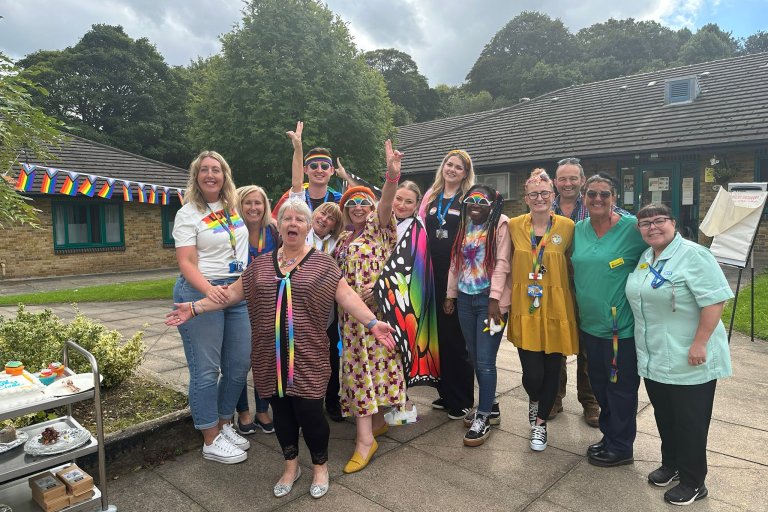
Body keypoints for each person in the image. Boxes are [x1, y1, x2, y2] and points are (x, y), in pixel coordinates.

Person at [165, 199, 396, 499]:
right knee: (282, 415)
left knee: (311, 415)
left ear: (308, 226)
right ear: (280, 226)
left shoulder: (324, 264)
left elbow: (347, 296)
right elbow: (231, 294)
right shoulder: (260, 265)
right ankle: (291, 466)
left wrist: (372, 322)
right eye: (287, 218)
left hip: (309, 357)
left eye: (300, 219)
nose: (293, 224)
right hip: (268, 358)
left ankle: (320, 466)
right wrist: (195, 308)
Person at [626, 203, 733, 506]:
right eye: (645, 223)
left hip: (690, 356)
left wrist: (700, 342)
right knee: (666, 416)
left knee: (690, 421)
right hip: (656, 356)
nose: (653, 227)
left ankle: (694, 481)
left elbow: (715, 301)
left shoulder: (694, 255)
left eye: (659, 221)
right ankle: (671, 464)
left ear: (673, 223)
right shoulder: (647, 258)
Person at [172, 150, 252, 464]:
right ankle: (209, 438)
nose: (210, 175)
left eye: (216, 170)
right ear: (196, 176)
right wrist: (209, 293)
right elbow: (186, 261)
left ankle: (222, 423)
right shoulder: (188, 213)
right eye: (204, 170)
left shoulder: (232, 207)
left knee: (238, 366)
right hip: (200, 288)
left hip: (236, 291)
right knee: (206, 371)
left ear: (224, 175)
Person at [334, 140, 404, 474]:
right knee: (365, 366)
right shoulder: (341, 240)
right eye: (352, 203)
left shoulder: (379, 229)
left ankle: (365, 441)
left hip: (376, 311)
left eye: (364, 202)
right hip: (348, 317)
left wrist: (391, 178)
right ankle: (376, 421)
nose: (359, 207)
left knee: (368, 366)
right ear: (345, 210)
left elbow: (387, 205)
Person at [571, 173, 647, 468]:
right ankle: (609, 436)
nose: (598, 199)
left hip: (620, 331)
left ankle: (622, 447)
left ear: (614, 198)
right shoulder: (579, 229)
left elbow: (663, 246)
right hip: (590, 326)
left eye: (604, 194)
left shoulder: (631, 229)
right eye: (592, 194)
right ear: (584, 198)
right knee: (600, 385)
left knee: (620, 388)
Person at [508, 169, 579, 451]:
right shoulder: (513, 225)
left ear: (554, 196)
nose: (540, 198)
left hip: (557, 305)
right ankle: (535, 400)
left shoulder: (567, 226)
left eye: (545, 194)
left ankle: (540, 425)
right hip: (526, 305)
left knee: (553, 368)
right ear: (526, 198)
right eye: (534, 194)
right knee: (532, 373)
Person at [444, 184, 510, 447]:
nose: (474, 205)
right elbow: (455, 261)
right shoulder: (465, 223)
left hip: (488, 303)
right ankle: (490, 405)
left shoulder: (500, 225)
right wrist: (451, 294)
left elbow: (503, 262)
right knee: (473, 355)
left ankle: (482, 416)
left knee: (485, 360)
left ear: (492, 204)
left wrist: (495, 299)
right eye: (470, 200)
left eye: (481, 201)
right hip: (465, 299)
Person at [418, 149, 477, 420]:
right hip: (430, 273)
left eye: (458, 167)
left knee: (456, 339)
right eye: (449, 165)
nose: (452, 170)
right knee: (437, 336)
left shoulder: (467, 199)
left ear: (466, 173)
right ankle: (445, 391)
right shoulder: (430, 197)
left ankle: (463, 398)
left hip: (456, 275)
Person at [549, 157, 599, 426]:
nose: (567, 184)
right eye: (562, 179)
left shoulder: (594, 205)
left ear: (582, 180)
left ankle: (590, 401)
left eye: (573, 178)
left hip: (586, 284)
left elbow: (624, 221)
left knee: (587, 345)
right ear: (555, 182)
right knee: (555, 343)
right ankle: (555, 397)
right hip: (555, 285)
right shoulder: (546, 206)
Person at [233, 185, 277, 435]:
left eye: (258, 203)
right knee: (240, 360)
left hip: (268, 304)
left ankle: (262, 410)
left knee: (265, 359)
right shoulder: (233, 232)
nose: (253, 207)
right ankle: (243, 412)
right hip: (239, 303)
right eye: (248, 202)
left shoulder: (273, 231)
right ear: (240, 205)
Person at [383, 180, 425, 426]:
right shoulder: (388, 221)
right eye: (398, 198)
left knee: (400, 352)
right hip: (385, 295)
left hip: (402, 299)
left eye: (408, 201)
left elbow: (408, 267)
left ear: (416, 205)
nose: (401, 204)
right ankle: (395, 400)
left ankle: (404, 405)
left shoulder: (416, 228)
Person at [271, 121, 350, 217]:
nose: (319, 170)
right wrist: (298, 147)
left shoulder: (340, 201)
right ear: (305, 170)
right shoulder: (294, 197)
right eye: (313, 166)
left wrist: (347, 177)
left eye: (324, 166)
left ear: (332, 170)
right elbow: (296, 182)